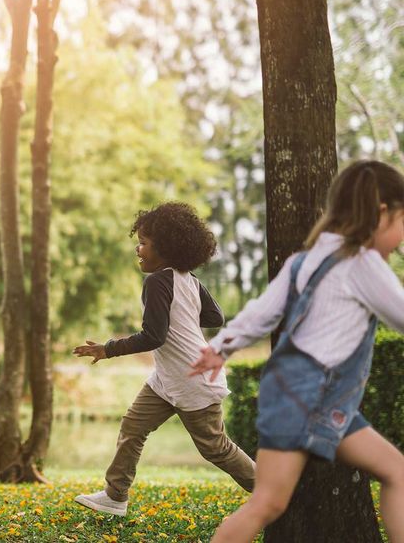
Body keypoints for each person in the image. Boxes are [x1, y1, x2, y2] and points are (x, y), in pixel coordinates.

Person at [190, 160, 404, 543]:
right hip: (313, 396)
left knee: (396, 472)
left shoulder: (306, 261)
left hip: (303, 394)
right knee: (268, 503)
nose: (402, 236)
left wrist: (221, 346)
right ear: (382, 212)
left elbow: (262, 311)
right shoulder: (362, 263)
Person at [73, 202, 255, 517]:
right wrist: (184, 315)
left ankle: (274, 492)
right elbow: (215, 316)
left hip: (193, 378)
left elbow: (153, 336)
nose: (138, 249)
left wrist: (108, 348)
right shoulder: (189, 280)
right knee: (133, 426)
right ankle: (115, 496)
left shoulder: (158, 281)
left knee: (215, 448)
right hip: (168, 379)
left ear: (166, 247)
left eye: (144, 243)